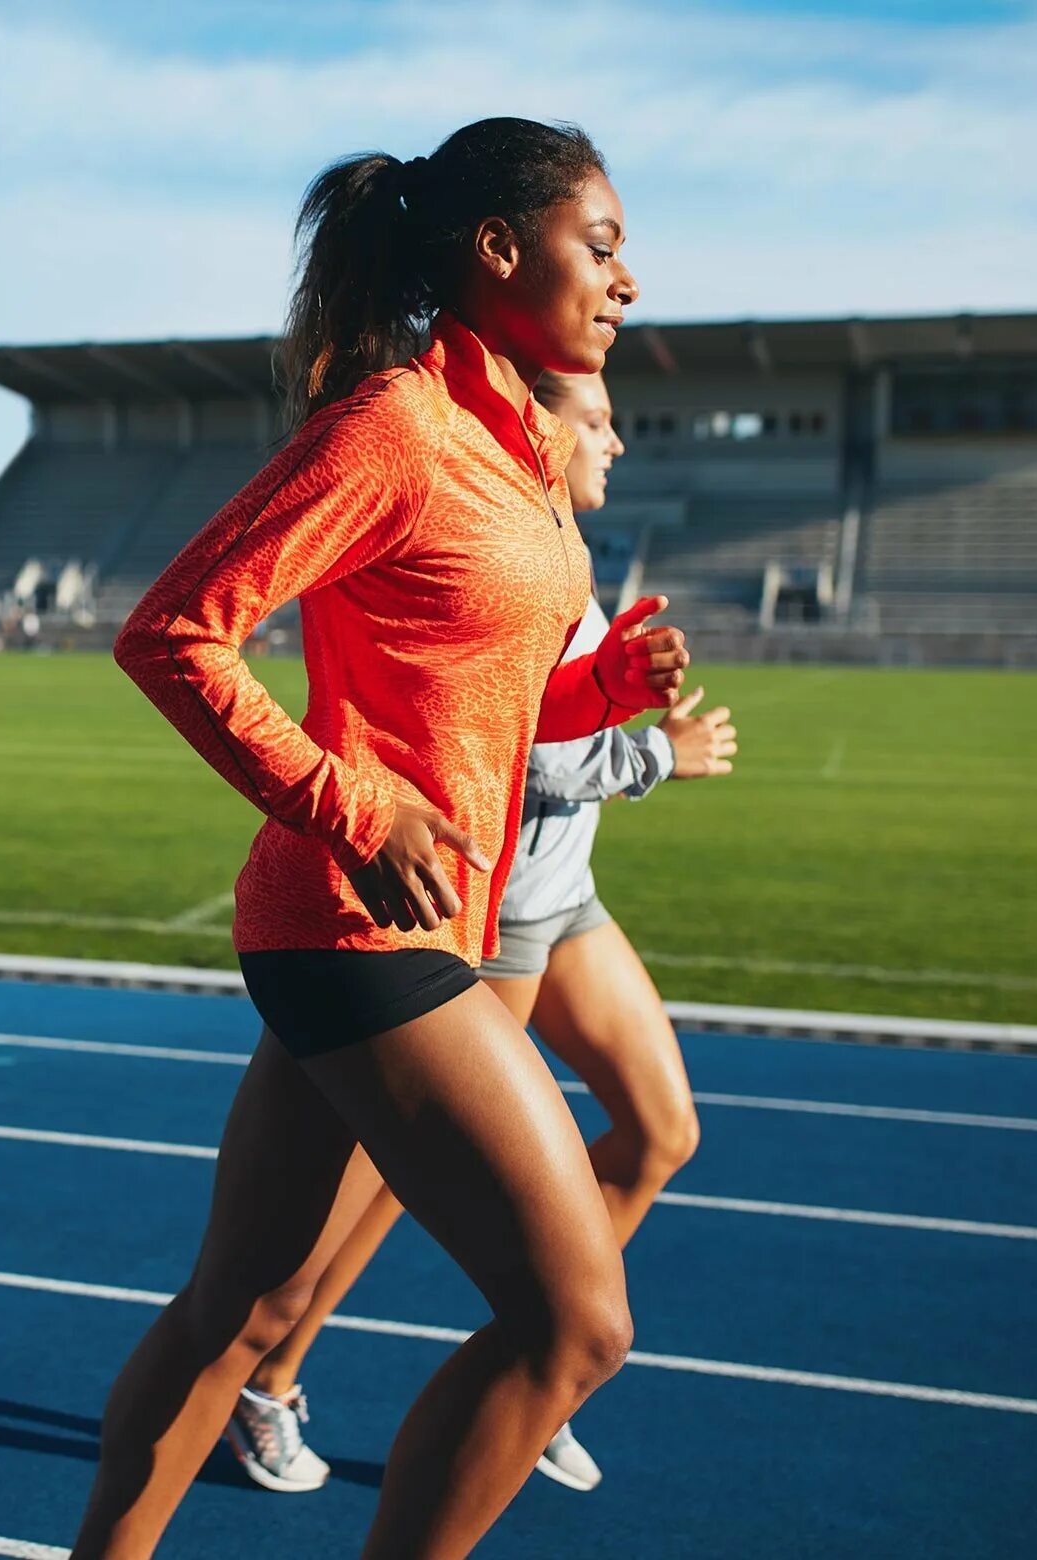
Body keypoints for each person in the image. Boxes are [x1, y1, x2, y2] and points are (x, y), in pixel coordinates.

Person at [77, 117, 689, 1559]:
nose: (627, 281)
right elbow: (172, 634)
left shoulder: (511, 453)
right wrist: (354, 804)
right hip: (358, 931)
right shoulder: (395, 428)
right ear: (497, 250)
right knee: (574, 1321)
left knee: (250, 1311)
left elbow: (477, 696)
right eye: (600, 246)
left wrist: (603, 688)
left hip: (406, 933)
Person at [223, 369, 741, 1499]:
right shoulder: (484, 525)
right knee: (393, 1189)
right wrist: (660, 755)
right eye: (598, 422)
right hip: (487, 907)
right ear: (538, 426)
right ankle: (275, 1378)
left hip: (570, 896)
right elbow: (519, 754)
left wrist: (619, 681)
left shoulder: (571, 561)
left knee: (660, 1133)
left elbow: (558, 716)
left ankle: (539, 1363)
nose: (616, 443)